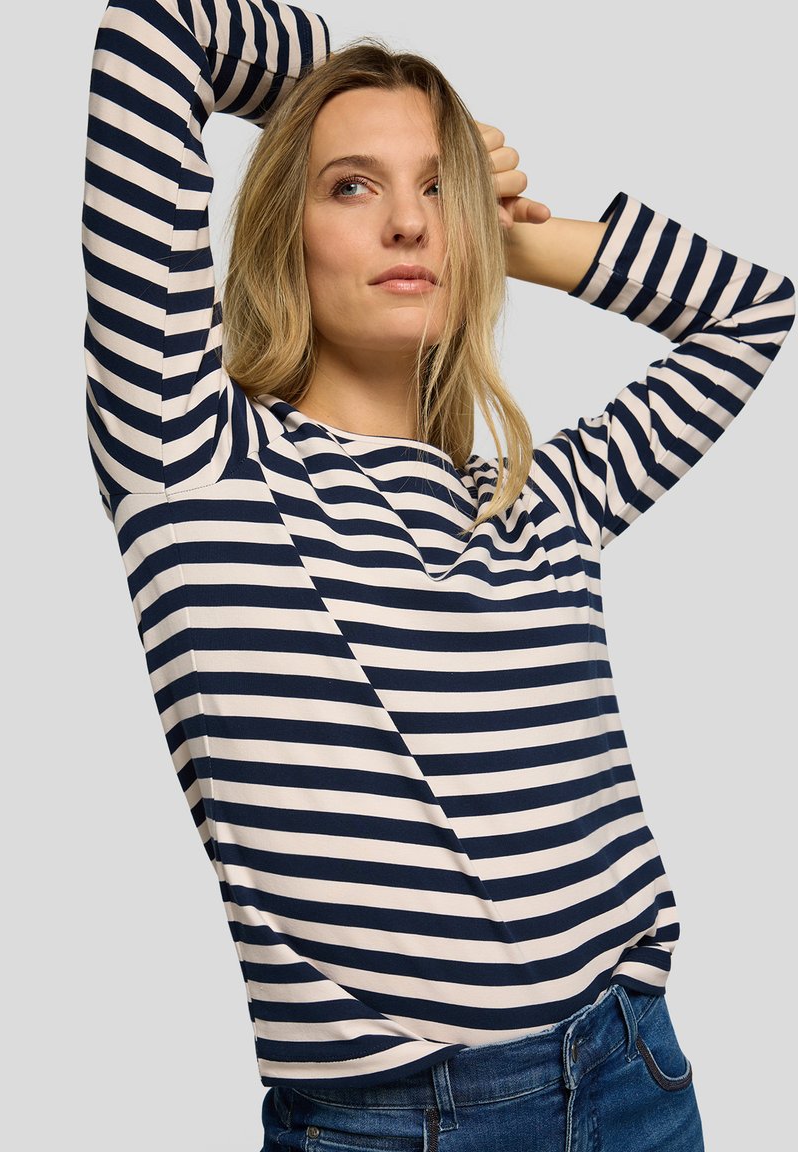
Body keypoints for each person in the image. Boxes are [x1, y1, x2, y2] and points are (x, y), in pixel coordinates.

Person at [81, 1, 794, 1149]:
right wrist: (403, 106)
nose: (408, 221)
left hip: (634, 1082)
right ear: (281, 229)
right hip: (389, 1126)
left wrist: (503, 228)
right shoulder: (194, 457)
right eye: (350, 186)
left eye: (434, 191)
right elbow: (160, 27)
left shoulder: (543, 498)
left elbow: (753, 309)